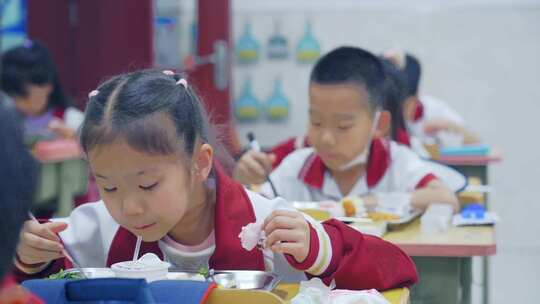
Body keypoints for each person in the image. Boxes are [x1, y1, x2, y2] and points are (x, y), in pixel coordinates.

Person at [13, 69, 417, 290]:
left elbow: (398, 269)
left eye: (148, 185)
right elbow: (30, 284)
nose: (128, 206)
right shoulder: (95, 226)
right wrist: (28, 259)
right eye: (109, 186)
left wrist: (322, 249)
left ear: (200, 163)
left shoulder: (267, 227)